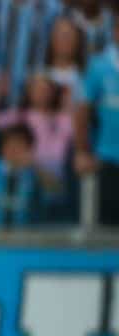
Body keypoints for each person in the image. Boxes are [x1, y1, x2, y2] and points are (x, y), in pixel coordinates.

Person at [73, 24, 119, 226]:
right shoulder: (99, 66)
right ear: (115, 31)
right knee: (108, 228)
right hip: (107, 158)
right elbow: (83, 111)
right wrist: (83, 151)